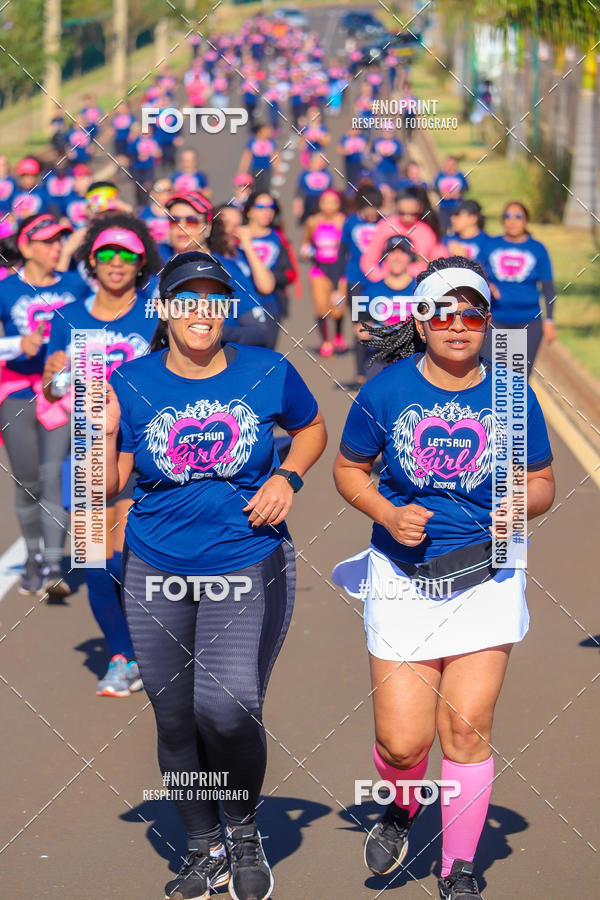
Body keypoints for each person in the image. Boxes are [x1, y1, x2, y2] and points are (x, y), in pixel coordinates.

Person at [332, 256, 555, 900]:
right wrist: (386, 510)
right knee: (403, 745)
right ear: (422, 319)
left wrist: (521, 504)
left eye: (474, 314)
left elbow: (542, 483)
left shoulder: (512, 395)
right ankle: (403, 804)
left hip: (487, 576)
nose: (459, 327)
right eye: (444, 313)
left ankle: (459, 867)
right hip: (403, 578)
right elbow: (350, 472)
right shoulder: (385, 391)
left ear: (488, 321)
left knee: (467, 727)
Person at [106, 250, 327, 900]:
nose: (202, 311)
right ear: (166, 309)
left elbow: (310, 428)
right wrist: (100, 436)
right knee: (174, 721)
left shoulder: (267, 370)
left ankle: (245, 826)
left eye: (214, 299)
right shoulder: (129, 380)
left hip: (245, 560)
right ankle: (204, 849)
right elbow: (106, 488)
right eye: (188, 298)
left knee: (226, 708)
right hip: (155, 565)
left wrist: (287, 476)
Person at [43, 214, 161, 695]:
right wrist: (53, 375)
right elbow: (52, 393)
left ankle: (154, 644)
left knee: (131, 557)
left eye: (128, 254)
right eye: (107, 253)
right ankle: (121, 654)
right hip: (90, 446)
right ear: (92, 259)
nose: (117, 262)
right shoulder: (67, 316)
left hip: (145, 449)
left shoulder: (155, 313)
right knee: (93, 560)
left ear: (140, 262)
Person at [0, 214, 87, 595]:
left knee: (54, 476)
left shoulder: (76, 286)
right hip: (16, 392)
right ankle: (33, 556)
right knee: (28, 481)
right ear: (25, 247)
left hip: (62, 392)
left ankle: (53, 565)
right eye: (49, 241)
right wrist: (18, 346)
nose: (56, 247)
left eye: (60, 240)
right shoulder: (6, 290)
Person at [480, 201, 556, 376]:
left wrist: (550, 320)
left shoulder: (537, 249)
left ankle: (515, 404)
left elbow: (548, 287)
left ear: (526, 220)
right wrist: (487, 284)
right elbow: (475, 272)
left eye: (518, 216)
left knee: (517, 377)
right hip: (496, 319)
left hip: (528, 321)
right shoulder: (491, 245)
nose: (512, 221)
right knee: (490, 372)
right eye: (507, 216)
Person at [208, 205, 279, 349]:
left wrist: (248, 245)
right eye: (227, 224)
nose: (234, 230)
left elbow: (267, 286)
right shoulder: (214, 258)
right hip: (239, 327)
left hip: (265, 317)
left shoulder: (244, 254)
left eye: (238, 224)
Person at [353, 235, 417, 381]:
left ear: (410, 257)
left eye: (402, 252)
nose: (397, 257)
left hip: (413, 361)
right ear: (385, 256)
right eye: (392, 252)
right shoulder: (371, 291)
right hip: (379, 360)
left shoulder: (421, 289)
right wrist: (360, 372)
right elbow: (359, 330)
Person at [360, 188, 448, 280]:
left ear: (420, 207)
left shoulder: (426, 231)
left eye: (412, 214)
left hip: (416, 287)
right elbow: (369, 259)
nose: (407, 218)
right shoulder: (386, 225)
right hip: (389, 288)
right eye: (402, 213)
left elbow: (441, 262)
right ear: (396, 206)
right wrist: (381, 279)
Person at [301, 188, 346, 357]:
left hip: (339, 271)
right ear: (320, 204)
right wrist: (306, 251)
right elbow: (306, 243)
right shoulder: (313, 221)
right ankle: (326, 341)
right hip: (319, 270)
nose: (329, 206)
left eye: (333, 202)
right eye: (325, 202)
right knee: (321, 308)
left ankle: (339, 335)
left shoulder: (343, 222)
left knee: (338, 309)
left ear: (338, 204)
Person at [243, 191, 295, 320]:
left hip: (271, 304)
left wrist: (269, 278)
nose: (267, 212)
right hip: (242, 304)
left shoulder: (279, 238)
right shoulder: (237, 237)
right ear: (249, 211)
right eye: (261, 207)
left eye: (271, 207)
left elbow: (290, 273)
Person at [434, 156, 469, 234]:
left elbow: (466, 188)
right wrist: (441, 193)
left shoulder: (460, 175)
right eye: (448, 164)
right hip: (444, 207)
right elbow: (435, 187)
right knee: (442, 228)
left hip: (457, 206)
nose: (450, 167)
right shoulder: (440, 175)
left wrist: (459, 193)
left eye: (452, 164)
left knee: (457, 228)